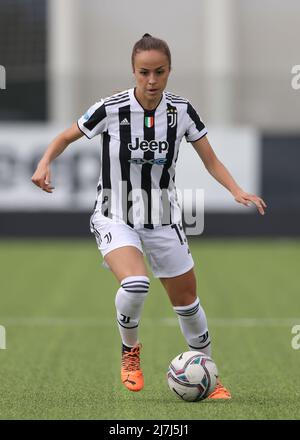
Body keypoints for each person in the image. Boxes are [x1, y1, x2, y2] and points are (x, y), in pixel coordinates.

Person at [32, 33, 267, 399]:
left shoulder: (182, 111)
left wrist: (236, 190)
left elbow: (211, 160)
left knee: (188, 304)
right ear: (134, 72)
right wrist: (45, 163)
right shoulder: (109, 109)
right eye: (144, 73)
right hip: (114, 213)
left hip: (163, 216)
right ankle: (130, 354)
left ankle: (209, 374)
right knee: (136, 284)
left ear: (169, 70)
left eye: (159, 72)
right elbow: (64, 137)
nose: (152, 81)